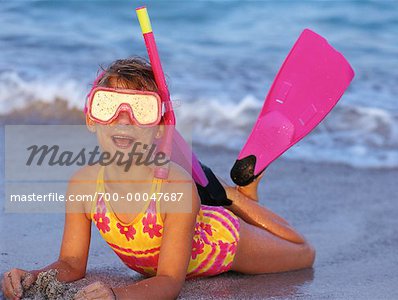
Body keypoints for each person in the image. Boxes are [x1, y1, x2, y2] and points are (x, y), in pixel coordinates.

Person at [1, 57, 315, 300]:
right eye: (108, 106)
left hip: (222, 242)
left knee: (303, 252)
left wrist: (116, 295)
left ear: (159, 126)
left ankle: (233, 195)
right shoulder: (83, 185)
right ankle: (224, 192)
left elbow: (169, 282)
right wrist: (34, 276)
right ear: (91, 119)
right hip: (192, 220)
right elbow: (70, 263)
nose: (123, 119)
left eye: (141, 109)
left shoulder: (176, 188)